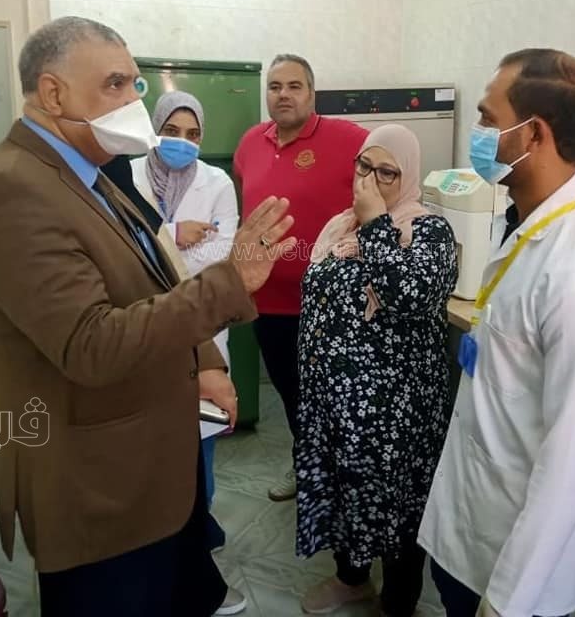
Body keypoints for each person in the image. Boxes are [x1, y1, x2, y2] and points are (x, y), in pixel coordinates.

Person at [0, 16, 297, 617]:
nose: (133, 102)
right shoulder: (14, 190)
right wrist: (232, 279)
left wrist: (206, 358)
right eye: (114, 84)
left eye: (135, 84)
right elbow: (90, 344)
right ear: (53, 92)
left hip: (148, 463)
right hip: (96, 485)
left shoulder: (89, 173)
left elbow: (155, 272)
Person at [419, 49, 575, 617]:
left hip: (517, 570)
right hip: (470, 527)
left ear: (534, 134)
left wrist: (507, 600)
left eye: (488, 119)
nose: (478, 133)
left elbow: (571, 463)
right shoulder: (521, 222)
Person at [295, 124, 459, 616]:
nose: (370, 180)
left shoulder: (429, 231)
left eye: (387, 172)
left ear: (408, 176)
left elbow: (408, 295)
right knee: (345, 492)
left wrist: (375, 225)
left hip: (393, 413)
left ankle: (398, 600)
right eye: (364, 166)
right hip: (336, 403)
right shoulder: (339, 227)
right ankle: (352, 580)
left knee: (397, 504)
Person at [233, 53, 368, 501]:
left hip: (330, 305)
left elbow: (390, 182)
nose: (283, 95)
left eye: (294, 86)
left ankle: (341, 480)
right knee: (291, 395)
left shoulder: (349, 139)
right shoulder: (250, 143)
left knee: (332, 397)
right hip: (268, 303)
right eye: (275, 87)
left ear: (312, 93)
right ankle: (306, 466)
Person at [129, 90, 239, 550]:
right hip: (141, 328)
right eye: (171, 131)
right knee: (145, 446)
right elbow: (121, 249)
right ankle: (154, 540)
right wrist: (175, 235)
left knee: (200, 441)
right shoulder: (126, 175)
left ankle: (198, 534)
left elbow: (223, 253)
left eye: (193, 134)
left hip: (201, 331)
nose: (183, 141)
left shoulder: (218, 182)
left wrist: (155, 255)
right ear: (154, 130)